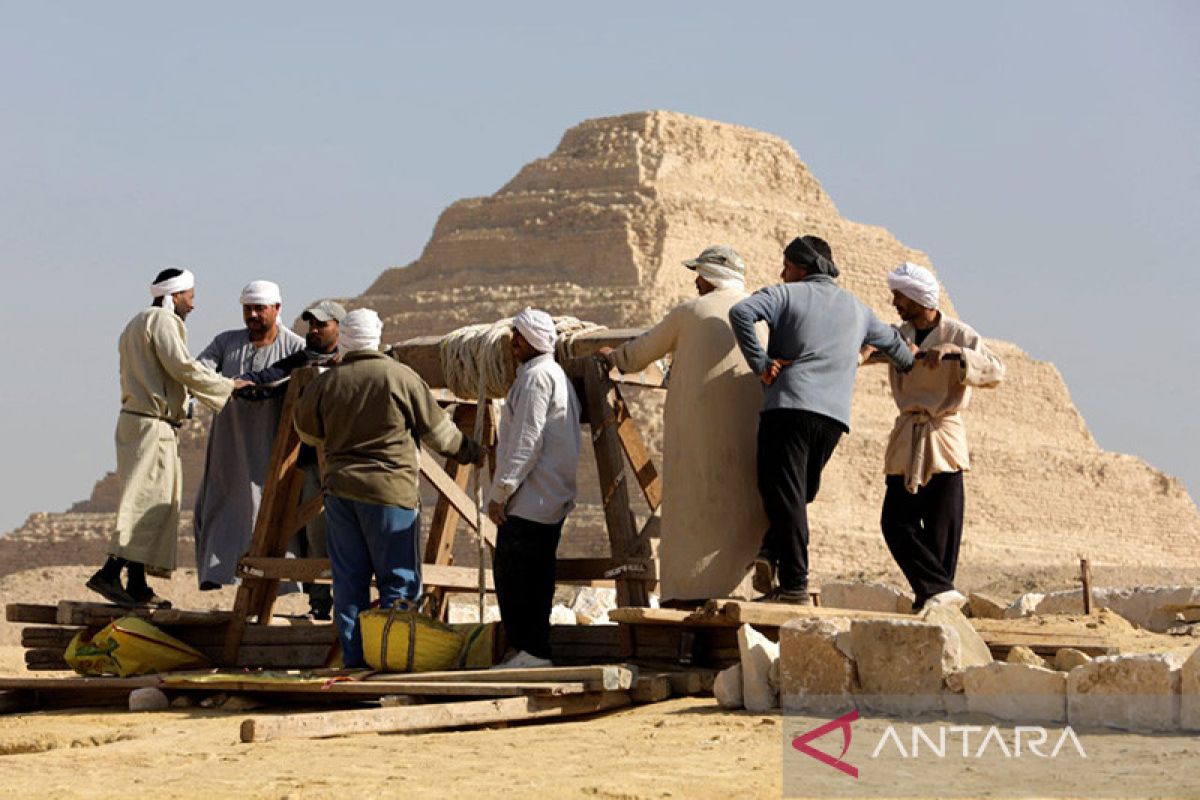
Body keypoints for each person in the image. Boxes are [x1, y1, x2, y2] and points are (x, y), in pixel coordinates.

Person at [728, 236, 915, 604]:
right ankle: (770, 552)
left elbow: (740, 313)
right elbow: (898, 350)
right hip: (832, 418)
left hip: (789, 406)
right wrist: (900, 357)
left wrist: (761, 364)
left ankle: (794, 584)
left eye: (786, 266)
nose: (782, 273)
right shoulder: (857, 309)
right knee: (800, 493)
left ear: (801, 267)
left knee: (783, 493)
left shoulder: (786, 294)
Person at [294, 308, 484, 668]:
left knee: (349, 585)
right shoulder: (401, 377)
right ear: (377, 337)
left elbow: (307, 431)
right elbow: (440, 436)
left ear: (346, 338)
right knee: (398, 583)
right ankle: (394, 661)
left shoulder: (325, 382)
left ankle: (355, 662)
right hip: (390, 496)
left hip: (340, 494)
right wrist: (474, 452)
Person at [596, 246, 766, 606]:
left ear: (712, 277)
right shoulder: (763, 317)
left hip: (697, 438)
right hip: (755, 438)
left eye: (700, 275)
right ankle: (747, 592)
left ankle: (688, 595)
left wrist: (612, 358)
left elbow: (637, 354)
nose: (696, 282)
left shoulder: (692, 312)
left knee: (694, 515)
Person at [88, 268, 235, 608]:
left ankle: (137, 583)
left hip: (137, 424)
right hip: (152, 426)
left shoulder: (135, 323)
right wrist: (226, 386)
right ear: (175, 295)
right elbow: (181, 367)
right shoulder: (164, 322)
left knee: (153, 501)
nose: (193, 305)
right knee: (147, 503)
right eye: (191, 297)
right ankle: (109, 573)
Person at [874, 262, 1005, 610]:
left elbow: (995, 371)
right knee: (895, 522)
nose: (895, 303)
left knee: (942, 531)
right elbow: (867, 353)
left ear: (919, 297)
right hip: (908, 436)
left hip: (943, 435)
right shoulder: (897, 334)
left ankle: (931, 600)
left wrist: (958, 354)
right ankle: (940, 593)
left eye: (900, 296)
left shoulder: (959, 334)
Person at [236, 299, 346, 619]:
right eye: (310, 324)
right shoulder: (302, 360)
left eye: (321, 325)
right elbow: (273, 377)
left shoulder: (352, 361)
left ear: (339, 327)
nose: (313, 331)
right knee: (314, 534)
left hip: (346, 461)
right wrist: (246, 384)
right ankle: (321, 603)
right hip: (311, 462)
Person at [192, 280, 305, 589]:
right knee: (218, 504)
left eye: (260, 308)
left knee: (271, 510)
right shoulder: (225, 342)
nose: (253, 314)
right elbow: (199, 373)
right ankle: (217, 574)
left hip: (273, 443)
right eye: (248, 309)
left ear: (277, 309)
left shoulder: (295, 347)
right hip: (230, 443)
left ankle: (280, 584)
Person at [487, 308, 582, 667]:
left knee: (516, 577)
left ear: (535, 341)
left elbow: (526, 443)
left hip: (531, 497)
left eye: (520, 337)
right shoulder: (548, 374)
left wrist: (500, 494)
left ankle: (531, 650)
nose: (513, 343)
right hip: (547, 495)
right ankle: (531, 649)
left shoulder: (537, 379)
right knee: (533, 574)